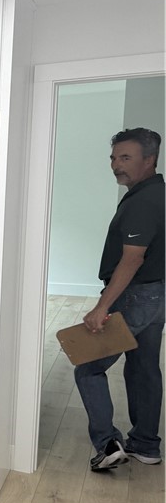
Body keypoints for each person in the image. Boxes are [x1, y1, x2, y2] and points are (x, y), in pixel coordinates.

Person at [75, 127, 164, 471]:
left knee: (88, 368)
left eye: (126, 157)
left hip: (133, 296)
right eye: (113, 157)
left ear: (150, 160)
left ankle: (107, 443)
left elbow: (132, 258)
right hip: (157, 295)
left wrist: (102, 307)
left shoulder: (142, 202)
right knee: (143, 369)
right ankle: (146, 445)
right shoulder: (158, 194)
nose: (116, 165)